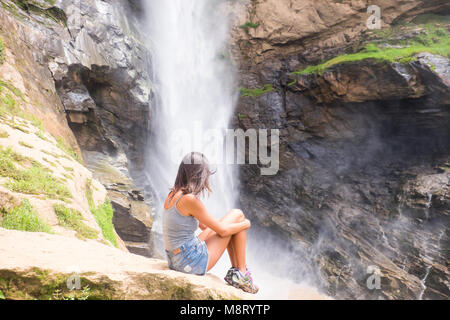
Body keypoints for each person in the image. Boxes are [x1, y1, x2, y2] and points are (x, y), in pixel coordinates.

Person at [163, 152, 259, 294]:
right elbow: (223, 232)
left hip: (174, 259)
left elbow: (204, 227)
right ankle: (242, 273)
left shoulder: (173, 194)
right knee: (237, 215)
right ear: (199, 175)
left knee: (228, 223)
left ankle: (239, 274)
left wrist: (223, 226)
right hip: (188, 262)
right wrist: (246, 224)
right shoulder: (190, 199)